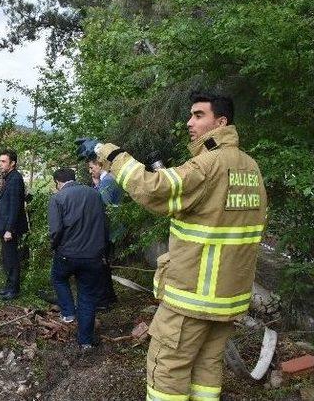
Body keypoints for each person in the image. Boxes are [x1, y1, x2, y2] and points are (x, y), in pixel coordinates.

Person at [77, 91, 267, 400]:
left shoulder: (208, 165)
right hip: (228, 297)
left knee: (167, 366)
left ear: (221, 122)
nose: (189, 122)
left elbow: (155, 190)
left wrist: (107, 153)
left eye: (198, 115)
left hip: (194, 296)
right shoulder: (250, 167)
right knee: (206, 367)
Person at [48, 168, 109, 349]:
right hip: (93, 256)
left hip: (67, 254)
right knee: (87, 297)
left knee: (58, 278)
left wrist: (54, 247)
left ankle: (67, 312)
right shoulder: (95, 195)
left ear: (58, 182)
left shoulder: (58, 198)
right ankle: (86, 342)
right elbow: (104, 224)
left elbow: (56, 230)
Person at [87, 160, 122, 310]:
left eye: (91, 167)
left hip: (106, 229)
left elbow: (102, 204)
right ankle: (109, 296)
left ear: (100, 165)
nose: (90, 171)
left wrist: (95, 187)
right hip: (110, 228)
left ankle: (103, 301)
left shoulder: (107, 181)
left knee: (101, 263)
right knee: (105, 263)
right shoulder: (108, 180)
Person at [0, 150, 29, 300]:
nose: (0, 164)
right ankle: (9, 287)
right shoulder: (10, 177)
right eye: (0, 161)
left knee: (12, 258)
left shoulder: (15, 178)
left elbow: (15, 206)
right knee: (7, 258)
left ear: (12, 163)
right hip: (6, 227)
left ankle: (13, 290)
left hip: (10, 229)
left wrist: (9, 229)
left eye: (3, 161)